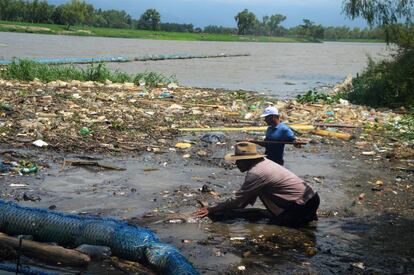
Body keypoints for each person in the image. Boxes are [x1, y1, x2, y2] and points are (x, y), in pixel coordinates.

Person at [194, 142, 319, 227]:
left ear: (248, 160)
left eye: (239, 161)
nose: (236, 164)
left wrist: (212, 209)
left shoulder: (256, 173)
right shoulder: (265, 162)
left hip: (302, 204)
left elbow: (238, 201)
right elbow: (247, 197)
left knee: (279, 227)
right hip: (311, 197)